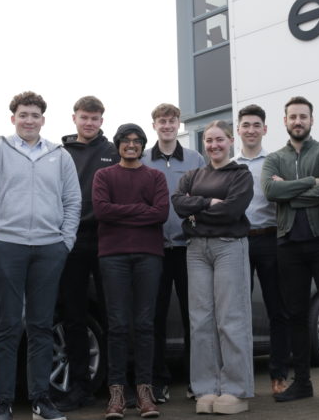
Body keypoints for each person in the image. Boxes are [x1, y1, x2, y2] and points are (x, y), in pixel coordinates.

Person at [0, 91, 81, 420]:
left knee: (41, 326)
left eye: (34, 115)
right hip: (6, 245)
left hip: (50, 248)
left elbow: (73, 201)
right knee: (5, 325)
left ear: (43, 120)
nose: (29, 120)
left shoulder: (59, 155)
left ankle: (40, 400)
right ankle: (2, 401)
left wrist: (66, 241)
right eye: (23, 114)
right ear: (13, 118)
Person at [261, 97, 319, 404]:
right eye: (292, 117)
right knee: (295, 314)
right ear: (284, 122)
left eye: (303, 116)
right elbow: (271, 192)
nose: (298, 121)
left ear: (311, 120)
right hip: (288, 244)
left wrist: (291, 189)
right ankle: (302, 383)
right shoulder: (274, 158)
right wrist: (306, 184)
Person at [171, 120, 254, 415]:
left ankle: (236, 390)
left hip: (228, 246)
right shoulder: (193, 174)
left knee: (230, 318)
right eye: (208, 140)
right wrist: (207, 203)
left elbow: (232, 211)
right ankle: (206, 387)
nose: (214, 145)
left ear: (230, 141)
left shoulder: (240, 175)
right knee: (200, 320)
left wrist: (197, 213)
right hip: (196, 250)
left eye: (219, 139)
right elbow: (179, 204)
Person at [92, 123, 169, 419]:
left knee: (145, 325)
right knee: (118, 325)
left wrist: (121, 211)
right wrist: (141, 210)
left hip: (149, 256)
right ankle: (116, 395)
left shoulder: (155, 176)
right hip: (113, 258)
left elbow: (161, 213)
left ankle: (145, 393)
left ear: (143, 145)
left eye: (137, 141)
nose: (131, 145)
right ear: (118, 144)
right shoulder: (104, 175)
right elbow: (101, 211)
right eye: (126, 140)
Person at [57, 96, 119, 412]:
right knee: (74, 317)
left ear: (101, 121)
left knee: (114, 316)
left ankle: (118, 387)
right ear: (75, 118)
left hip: (109, 242)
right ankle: (80, 387)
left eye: (95, 118)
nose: (89, 123)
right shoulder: (61, 154)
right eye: (85, 117)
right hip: (72, 243)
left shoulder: (113, 152)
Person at [141, 103, 205, 403]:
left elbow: (204, 197)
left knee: (194, 316)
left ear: (179, 124)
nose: (167, 125)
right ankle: (158, 380)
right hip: (154, 250)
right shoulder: (143, 159)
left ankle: (196, 379)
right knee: (155, 317)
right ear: (154, 125)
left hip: (188, 247)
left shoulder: (194, 158)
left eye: (171, 120)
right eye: (161, 121)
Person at [233, 104, 292, 396]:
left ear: (265, 129)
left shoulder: (276, 162)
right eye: (246, 125)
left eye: (257, 125)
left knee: (277, 310)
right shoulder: (231, 165)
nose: (251, 130)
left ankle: (279, 374)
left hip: (270, 240)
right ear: (239, 129)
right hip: (239, 241)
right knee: (238, 311)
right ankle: (240, 377)